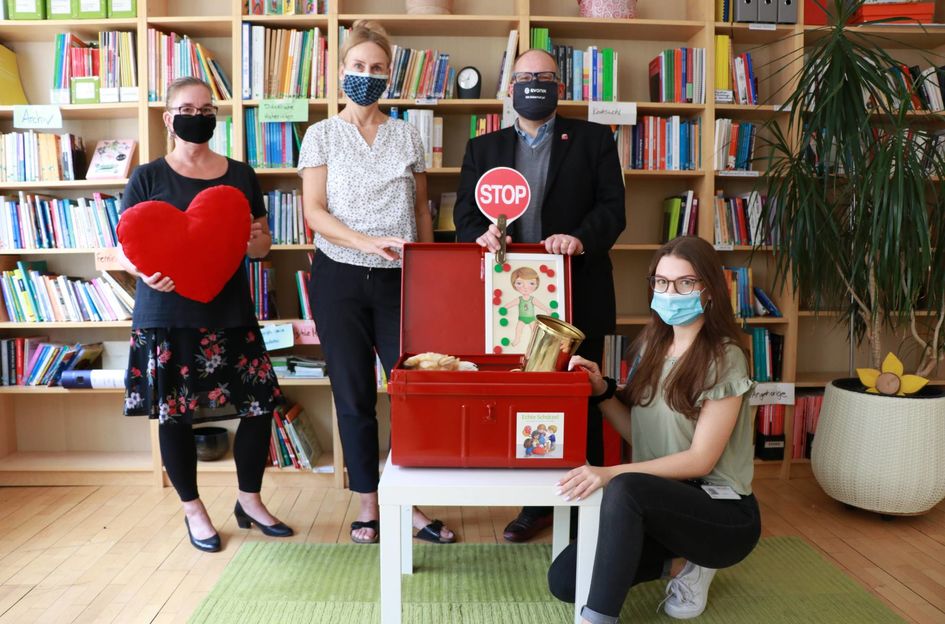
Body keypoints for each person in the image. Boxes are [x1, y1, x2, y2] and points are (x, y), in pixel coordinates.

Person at [454, 48, 626, 542]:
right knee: (523, 395)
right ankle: (536, 502)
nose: (534, 84)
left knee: (581, 392)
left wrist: (581, 238)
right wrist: (479, 236)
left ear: (561, 87)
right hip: (507, 298)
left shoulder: (594, 140)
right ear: (510, 87)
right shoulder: (482, 149)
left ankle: (584, 499)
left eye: (544, 77)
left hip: (579, 287)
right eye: (525, 76)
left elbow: (613, 210)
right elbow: (465, 217)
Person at [118, 77, 293, 553]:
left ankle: (249, 500)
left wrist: (257, 245)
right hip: (165, 312)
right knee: (175, 415)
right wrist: (144, 272)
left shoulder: (240, 174)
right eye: (186, 107)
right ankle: (193, 511)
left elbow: (259, 244)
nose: (198, 114)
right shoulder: (148, 177)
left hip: (229, 308)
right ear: (168, 118)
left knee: (259, 406)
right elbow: (127, 246)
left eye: (207, 107)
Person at [547, 236, 762, 623]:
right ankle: (683, 567)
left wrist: (609, 473)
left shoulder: (726, 356)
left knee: (624, 486)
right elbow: (641, 436)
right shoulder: (651, 348)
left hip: (721, 514)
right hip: (659, 504)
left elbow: (700, 460)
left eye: (684, 283)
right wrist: (601, 393)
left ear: (709, 290)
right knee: (563, 580)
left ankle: (595, 619)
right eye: (661, 282)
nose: (669, 293)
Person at [298, 20, 454, 545]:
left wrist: (427, 270)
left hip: (399, 282)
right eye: (358, 66)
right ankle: (369, 504)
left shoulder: (408, 133)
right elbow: (314, 213)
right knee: (354, 394)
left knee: (411, 391)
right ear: (342, 70)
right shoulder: (320, 134)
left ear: (391, 75)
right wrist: (365, 242)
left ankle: (407, 500)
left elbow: (420, 211)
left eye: (377, 67)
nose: (367, 75)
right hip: (338, 278)